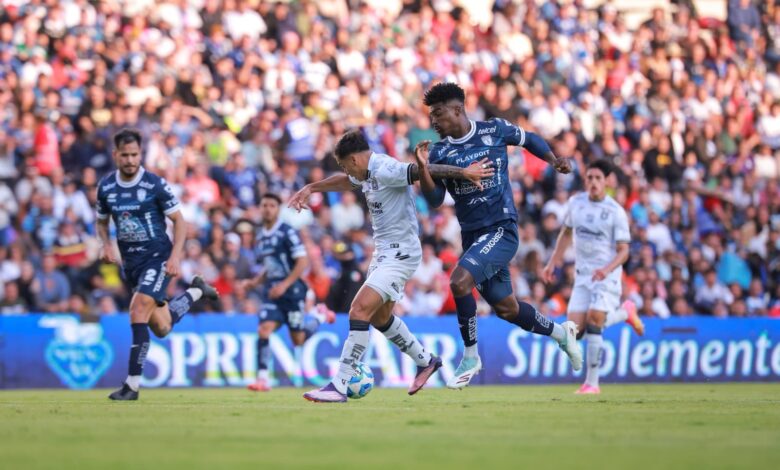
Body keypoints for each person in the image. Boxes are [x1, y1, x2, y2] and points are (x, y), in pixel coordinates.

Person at [289, 129, 493, 402]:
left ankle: (340, 384)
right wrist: (312, 188)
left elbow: (423, 171)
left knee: (359, 310)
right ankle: (426, 361)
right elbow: (346, 182)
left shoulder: (386, 168)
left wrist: (464, 172)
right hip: (384, 253)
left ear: (354, 159)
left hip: (401, 253)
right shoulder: (364, 172)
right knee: (380, 318)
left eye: (344, 165)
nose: (346, 171)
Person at [415, 82, 582, 389]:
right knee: (507, 309)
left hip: (501, 230)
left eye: (438, 113)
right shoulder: (440, 151)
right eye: (431, 115)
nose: (433, 121)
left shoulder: (494, 130)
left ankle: (470, 357)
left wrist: (552, 159)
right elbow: (435, 200)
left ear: (457, 110)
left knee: (459, 281)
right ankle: (562, 334)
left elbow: (529, 139)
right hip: (473, 238)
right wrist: (424, 169)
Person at [96, 129, 219, 401]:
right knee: (162, 327)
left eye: (134, 155)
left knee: (138, 308)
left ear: (140, 154)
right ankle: (196, 291)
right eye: (125, 155)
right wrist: (105, 244)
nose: (130, 160)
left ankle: (132, 386)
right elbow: (102, 222)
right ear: (115, 155)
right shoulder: (106, 187)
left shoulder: (154, 184)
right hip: (132, 265)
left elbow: (180, 221)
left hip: (157, 257)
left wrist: (174, 257)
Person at [542, 160, 645, 395]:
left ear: (607, 181)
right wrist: (552, 262)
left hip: (606, 275)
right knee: (575, 332)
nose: (593, 182)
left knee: (595, 320)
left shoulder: (616, 212)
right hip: (582, 275)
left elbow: (624, 251)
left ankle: (592, 383)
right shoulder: (575, 203)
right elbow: (566, 233)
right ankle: (625, 312)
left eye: (598, 178)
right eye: (589, 178)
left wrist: (606, 270)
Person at [240, 193, 335, 392]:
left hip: (292, 292)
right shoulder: (261, 235)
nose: (267, 209)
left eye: (272, 205)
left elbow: (302, 261)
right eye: (264, 205)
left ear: (278, 209)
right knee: (264, 329)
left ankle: (319, 315)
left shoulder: (286, 232)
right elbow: (270, 266)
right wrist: (255, 282)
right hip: (273, 292)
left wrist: (284, 285)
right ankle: (262, 379)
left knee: (297, 340)